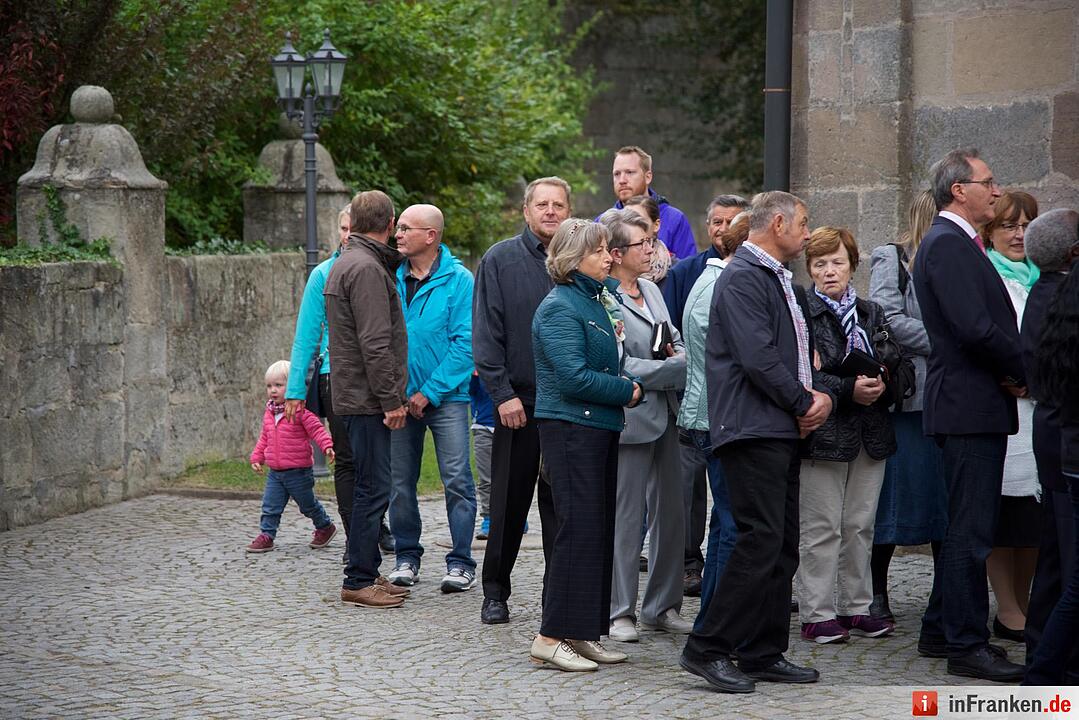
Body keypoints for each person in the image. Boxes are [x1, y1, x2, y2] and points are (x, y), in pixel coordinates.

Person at [680, 191, 832, 693]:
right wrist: (803, 402)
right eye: (804, 223)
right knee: (757, 542)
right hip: (750, 429)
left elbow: (793, 352)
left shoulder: (774, 276)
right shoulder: (744, 275)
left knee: (780, 544)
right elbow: (758, 358)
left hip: (775, 427)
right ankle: (707, 648)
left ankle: (762, 652)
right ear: (779, 223)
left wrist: (811, 398)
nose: (808, 233)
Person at [912, 147, 1027, 681]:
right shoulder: (948, 244)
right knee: (971, 531)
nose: (997, 191)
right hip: (968, 404)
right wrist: (1025, 370)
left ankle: (940, 629)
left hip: (973, 401)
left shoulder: (956, 243)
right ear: (960, 190)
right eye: (989, 181)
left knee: (967, 524)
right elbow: (975, 329)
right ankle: (966, 645)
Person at [529, 218, 642, 671]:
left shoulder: (593, 299)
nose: (610, 257)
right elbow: (572, 377)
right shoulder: (559, 306)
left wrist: (624, 384)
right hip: (571, 428)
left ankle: (579, 632)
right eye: (599, 252)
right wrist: (627, 391)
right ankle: (549, 636)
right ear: (575, 258)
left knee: (595, 530)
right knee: (575, 531)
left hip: (597, 427)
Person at [473, 177, 570, 624]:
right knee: (509, 506)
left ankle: (560, 597)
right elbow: (487, 335)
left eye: (558, 205)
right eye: (542, 204)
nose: (550, 212)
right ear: (526, 211)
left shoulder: (578, 259)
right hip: (519, 404)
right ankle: (495, 591)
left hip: (569, 406)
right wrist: (502, 394)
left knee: (560, 507)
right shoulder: (500, 260)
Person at [795, 227, 896, 644]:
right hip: (824, 434)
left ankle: (857, 607)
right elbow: (803, 372)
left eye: (837, 262)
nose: (829, 271)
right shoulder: (802, 311)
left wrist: (883, 381)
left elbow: (895, 362)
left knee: (861, 525)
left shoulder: (872, 312)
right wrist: (845, 387)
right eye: (819, 264)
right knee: (821, 527)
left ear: (853, 265)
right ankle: (816, 613)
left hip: (870, 431)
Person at [599, 208, 691, 643]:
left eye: (651, 242)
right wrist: (674, 370)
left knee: (672, 514)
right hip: (629, 420)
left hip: (667, 415)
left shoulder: (653, 290)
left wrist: (677, 361)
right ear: (617, 254)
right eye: (643, 244)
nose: (652, 249)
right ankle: (620, 611)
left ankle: (662, 606)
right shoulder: (604, 298)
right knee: (627, 517)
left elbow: (672, 339)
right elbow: (618, 364)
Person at [283, 205, 393, 561]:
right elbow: (306, 335)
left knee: (380, 462)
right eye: (343, 228)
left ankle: (376, 526)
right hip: (339, 377)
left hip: (380, 378)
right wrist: (295, 389)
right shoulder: (324, 273)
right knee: (348, 461)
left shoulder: (382, 267)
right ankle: (355, 537)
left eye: (353, 227)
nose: (347, 235)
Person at [325, 190, 411, 609]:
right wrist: (391, 400)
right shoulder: (365, 269)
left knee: (369, 486)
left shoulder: (352, 262)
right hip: (365, 399)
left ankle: (366, 570)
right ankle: (358, 577)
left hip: (355, 394)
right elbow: (375, 343)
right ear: (390, 224)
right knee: (372, 488)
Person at [386, 204, 479, 593]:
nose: (398, 235)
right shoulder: (389, 276)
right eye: (398, 228)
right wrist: (398, 392)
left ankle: (460, 561)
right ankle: (406, 556)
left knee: (457, 479)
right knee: (399, 482)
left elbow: (466, 344)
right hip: (397, 399)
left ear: (431, 236)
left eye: (406, 228)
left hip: (448, 399)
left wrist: (430, 392)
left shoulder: (459, 281)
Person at [661, 194, 750, 596]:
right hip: (701, 406)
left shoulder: (738, 276)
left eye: (731, 221)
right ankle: (689, 567)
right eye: (716, 221)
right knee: (694, 495)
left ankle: (714, 595)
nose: (722, 229)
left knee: (725, 515)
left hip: (719, 409)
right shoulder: (700, 276)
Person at [868, 189, 946, 623]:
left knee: (945, 503)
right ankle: (877, 593)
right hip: (910, 402)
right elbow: (889, 319)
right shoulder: (892, 257)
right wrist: (952, 344)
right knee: (895, 501)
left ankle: (943, 597)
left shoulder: (964, 261)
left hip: (952, 400)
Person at [1019, 208, 1079, 679]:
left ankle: (1042, 652)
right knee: (1064, 556)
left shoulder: (1047, 291)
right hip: (1062, 439)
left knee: (1058, 557)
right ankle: (1045, 664)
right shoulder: (1058, 295)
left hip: (1057, 435)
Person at [246, 360, 337, 553]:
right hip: (275, 472)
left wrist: (327, 446)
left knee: (307, 505)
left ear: (292, 386)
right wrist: (257, 456)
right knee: (270, 506)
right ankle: (267, 535)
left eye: (278, 385)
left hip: (298, 472)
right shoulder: (270, 412)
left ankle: (325, 526)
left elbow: (317, 430)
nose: (273, 390)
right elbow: (265, 437)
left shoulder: (300, 411)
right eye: (269, 386)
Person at [604, 146, 696, 261]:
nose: (622, 180)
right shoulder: (603, 223)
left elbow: (689, 270)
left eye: (629, 172)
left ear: (648, 177)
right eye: (617, 174)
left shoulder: (674, 219)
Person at [622, 194, 672, 288]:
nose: (631, 227)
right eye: (626, 221)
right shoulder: (609, 267)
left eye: (639, 222)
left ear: (656, 225)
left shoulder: (677, 271)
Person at [470, 372, 495, 540]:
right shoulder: (477, 364)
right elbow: (469, 391)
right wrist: (474, 377)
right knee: (486, 478)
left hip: (513, 424)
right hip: (483, 427)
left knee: (514, 477)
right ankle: (488, 518)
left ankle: (517, 517)